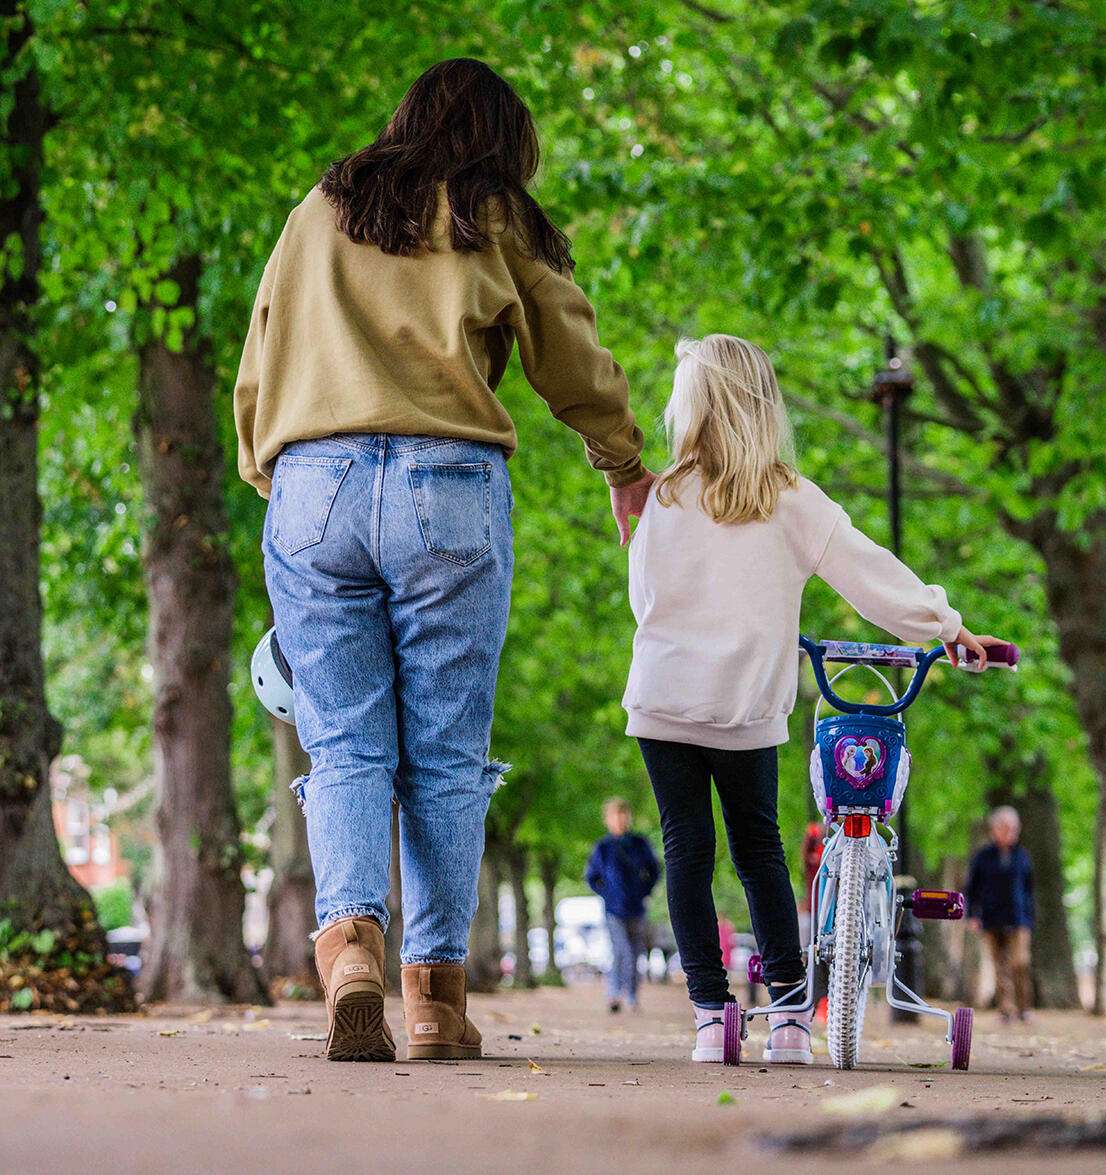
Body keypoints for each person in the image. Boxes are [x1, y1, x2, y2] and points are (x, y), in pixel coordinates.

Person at [233, 59, 655, 1062]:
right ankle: (434, 998)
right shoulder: (491, 211)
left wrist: (272, 470)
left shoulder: (322, 207)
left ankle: (351, 949)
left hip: (312, 482)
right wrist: (625, 462)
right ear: (501, 140)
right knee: (448, 750)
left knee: (344, 741)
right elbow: (568, 350)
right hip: (448, 486)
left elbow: (262, 347)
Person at [621, 334, 1008, 1064]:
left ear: (695, 405)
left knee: (687, 848)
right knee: (760, 851)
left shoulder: (665, 495)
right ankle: (791, 1018)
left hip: (665, 698)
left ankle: (711, 1016)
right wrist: (947, 627)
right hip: (747, 706)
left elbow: (647, 601)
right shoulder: (790, 497)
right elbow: (872, 576)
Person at [585, 798, 661, 1013]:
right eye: (614, 815)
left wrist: (643, 891)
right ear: (607, 820)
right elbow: (592, 877)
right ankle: (615, 993)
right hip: (613, 909)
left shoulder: (639, 843)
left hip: (637, 907)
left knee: (636, 952)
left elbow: (654, 870)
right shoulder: (603, 847)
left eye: (623, 814)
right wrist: (607, 894)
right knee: (621, 951)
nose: (619, 819)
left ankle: (632, 995)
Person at [965, 806, 1036, 1024]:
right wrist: (972, 916)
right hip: (991, 917)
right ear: (994, 829)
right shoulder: (982, 857)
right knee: (999, 966)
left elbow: (1029, 889)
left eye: (1014, 828)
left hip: (1018, 918)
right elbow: (971, 888)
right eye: (1006, 828)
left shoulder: (1022, 856)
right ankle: (1006, 1009)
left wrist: (1030, 918)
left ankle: (1024, 1007)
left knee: (1020, 963)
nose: (1011, 832)